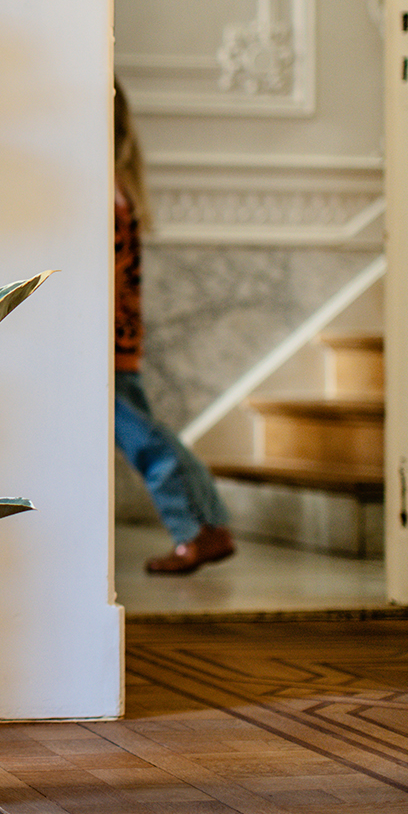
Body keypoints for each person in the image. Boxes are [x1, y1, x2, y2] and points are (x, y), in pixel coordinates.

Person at [113, 81, 236, 574]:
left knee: (145, 442)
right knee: (152, 434)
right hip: (123, 338)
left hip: (108, 341)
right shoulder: (121, 184)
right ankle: (211, 524)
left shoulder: (105, 189)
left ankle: (192, 532)